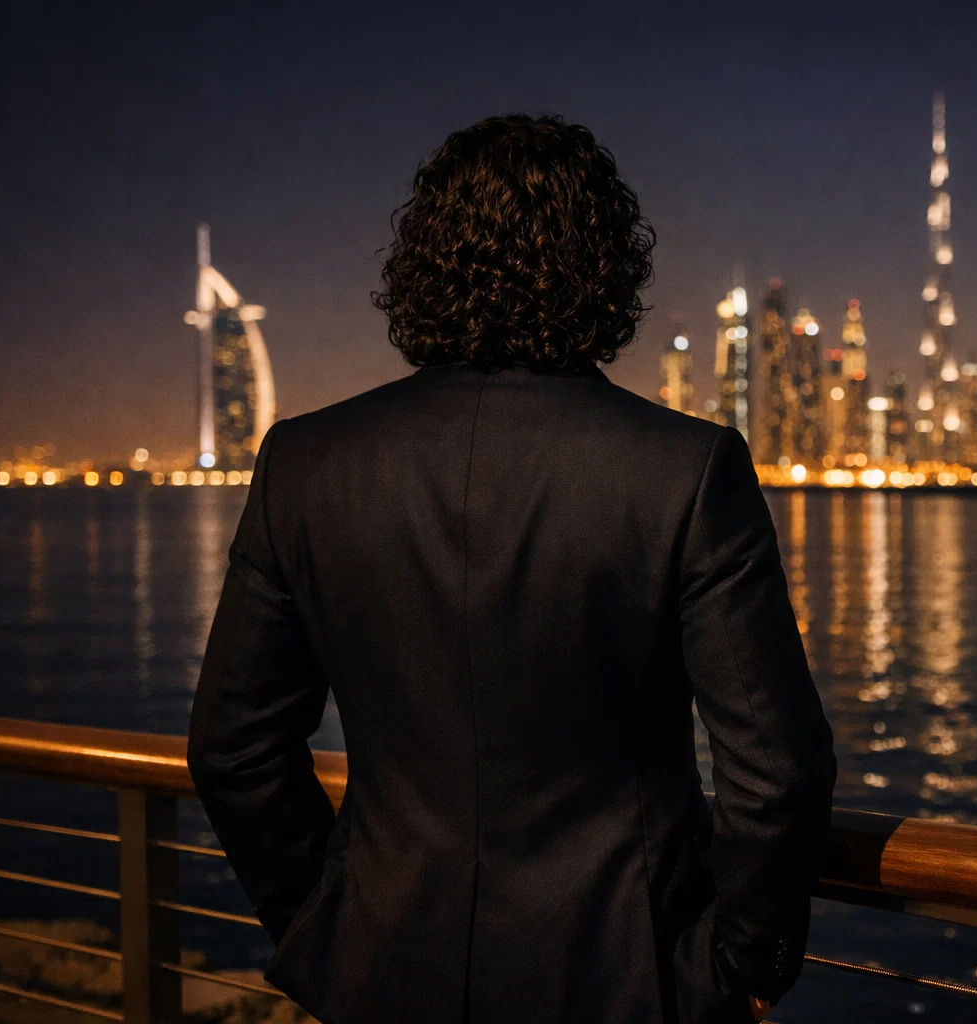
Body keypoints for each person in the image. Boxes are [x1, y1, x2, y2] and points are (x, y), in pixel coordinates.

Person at [188, 115, 836, 1024]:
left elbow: (234, 750)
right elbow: (776, 770)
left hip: (382, 972)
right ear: (606, 270)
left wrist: (324, 921)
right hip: (629, 983)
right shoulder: (685, 469)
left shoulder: (306, 463)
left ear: (423, 266)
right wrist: (741, 966)